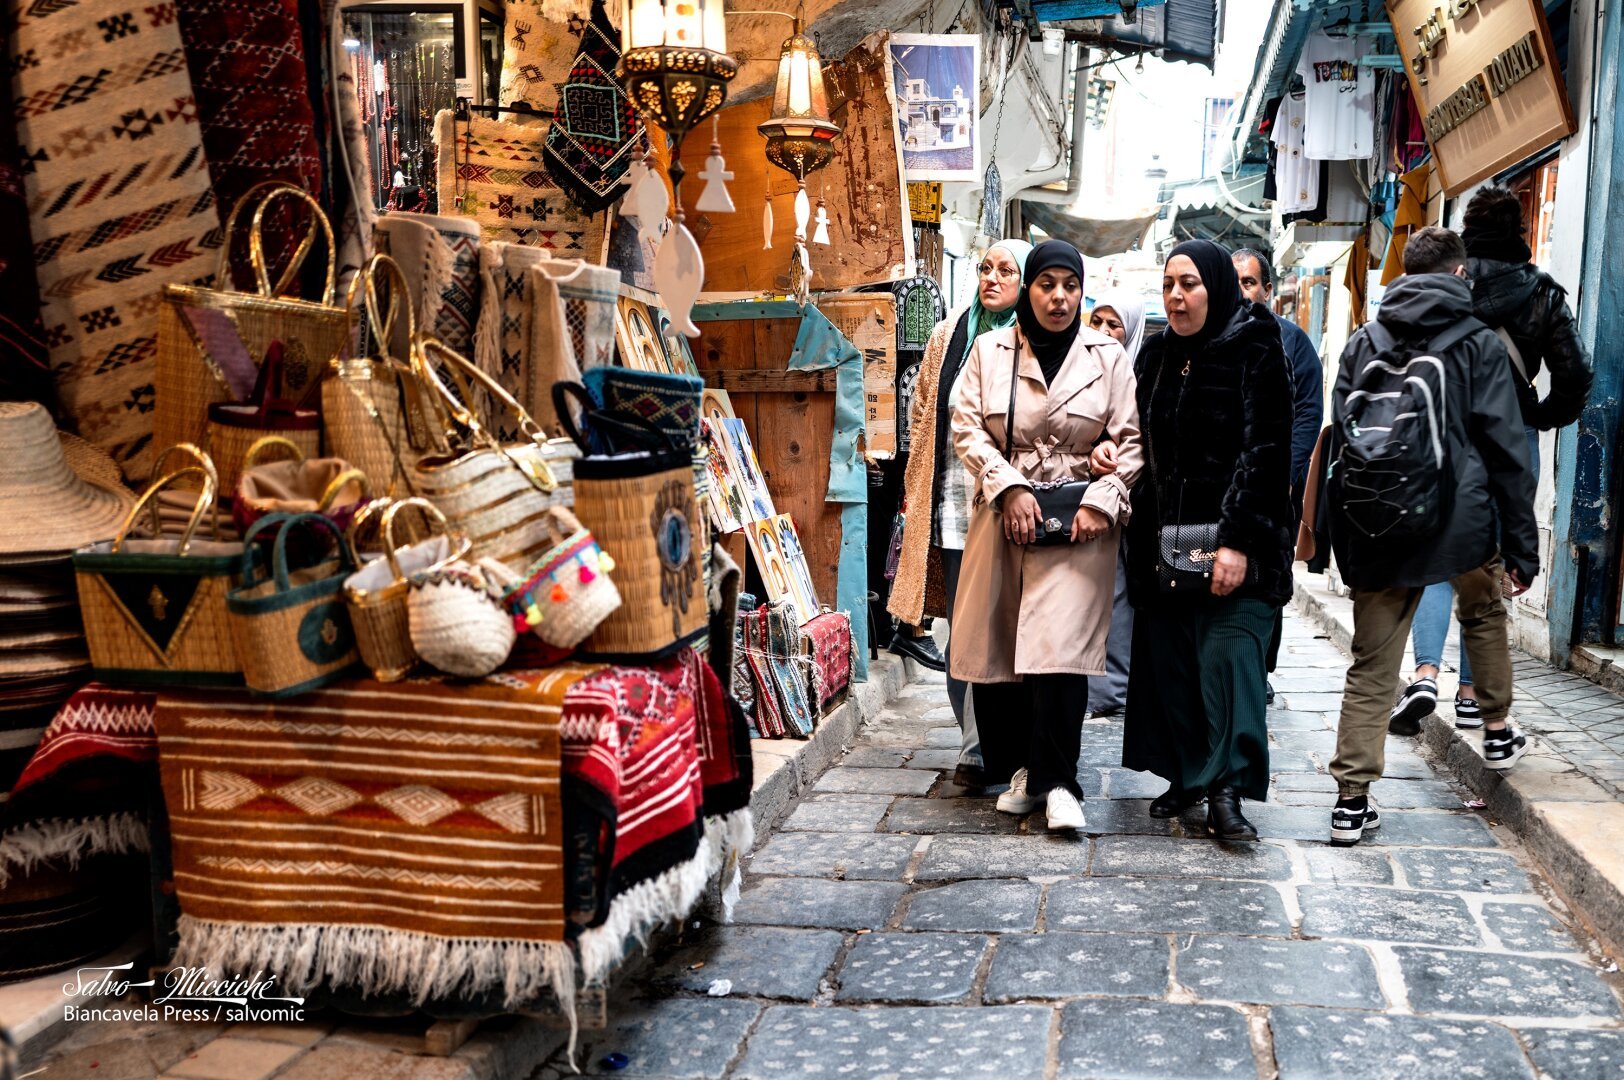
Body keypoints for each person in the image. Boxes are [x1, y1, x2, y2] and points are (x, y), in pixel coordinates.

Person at [1321, 226, 1537, 845]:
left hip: (1379, 519)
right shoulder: (1476, 343)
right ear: (1460, 276)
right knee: (1484, 611)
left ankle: (1351, 801)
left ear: (1404, 276)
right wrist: (1522, 544)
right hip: (1461, 518)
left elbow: (1345, 432)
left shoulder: (1364, 340)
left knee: (1372, 660)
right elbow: (1506, 449)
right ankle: (1496, 731)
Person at [949, 239, 1142, 831]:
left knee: (1061, 655)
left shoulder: (1108, 356)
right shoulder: (988, 350)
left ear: (1082, 293)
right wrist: (1007, 488)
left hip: (1079, 524)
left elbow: (1132, 439)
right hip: (1006, 519)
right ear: (1029, 290)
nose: (1059, 298)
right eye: (1046, 284)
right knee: (1003, 651)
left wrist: (1104, 500)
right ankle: (1025, 769)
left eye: (1070, 285)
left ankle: (1061, 781)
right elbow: (967, 426)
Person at [1390, 187, 1593, 736]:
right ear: (1520, 230)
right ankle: (1472, 693)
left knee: (1437, 553)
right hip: (1512, 433)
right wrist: (1543, 414)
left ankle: (1426, 673)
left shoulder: (1441, 283)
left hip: (1440, 428)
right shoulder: (1543, 292)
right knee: (1494, 561)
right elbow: (1576, 371)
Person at [1120, 239, 1296, 842]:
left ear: (1215, 286)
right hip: (1167, 545)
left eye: (1189, 283)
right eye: (1169, 283)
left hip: (1235, 544)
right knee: (1171, 662)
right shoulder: (1156, 355)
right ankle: (1187, 774)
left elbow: (1267, 451)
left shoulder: (1255, 345)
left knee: (1227, 658)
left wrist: (1238, 541)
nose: (1176, 295)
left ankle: (1227, 791)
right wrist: (1110, 455)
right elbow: (1137, 435)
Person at [888, 239, 1032, 786]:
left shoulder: (1029, 338)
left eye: (1005, 271)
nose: (991, 279)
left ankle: (1006, 742)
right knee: (960, 628)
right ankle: (975, 745)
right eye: (984, 268)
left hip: (1002, 502)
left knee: (1003, 625)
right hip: (947, 503)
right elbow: (924, 407)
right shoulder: (948, 334)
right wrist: (914, 488)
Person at [1233, 248, 1323, 706]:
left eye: (1250, 283)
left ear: (1267, 289)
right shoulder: (1216, 338)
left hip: (1276, 491)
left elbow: (1309, 412)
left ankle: (1261, 666)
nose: (1242, 292)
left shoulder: (1292, 341)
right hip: (1227, 489)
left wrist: (1284, 474)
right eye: (1235, 283)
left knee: (1268, 578)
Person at [1080, 289, 1147, 718]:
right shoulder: (1077, 368)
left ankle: (1114, 689)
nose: (1103, 332)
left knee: (1120, 592)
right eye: (1097, 322)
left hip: (1130, 500)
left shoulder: (1143, 369)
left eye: (1114, 324)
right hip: (1083, 497)